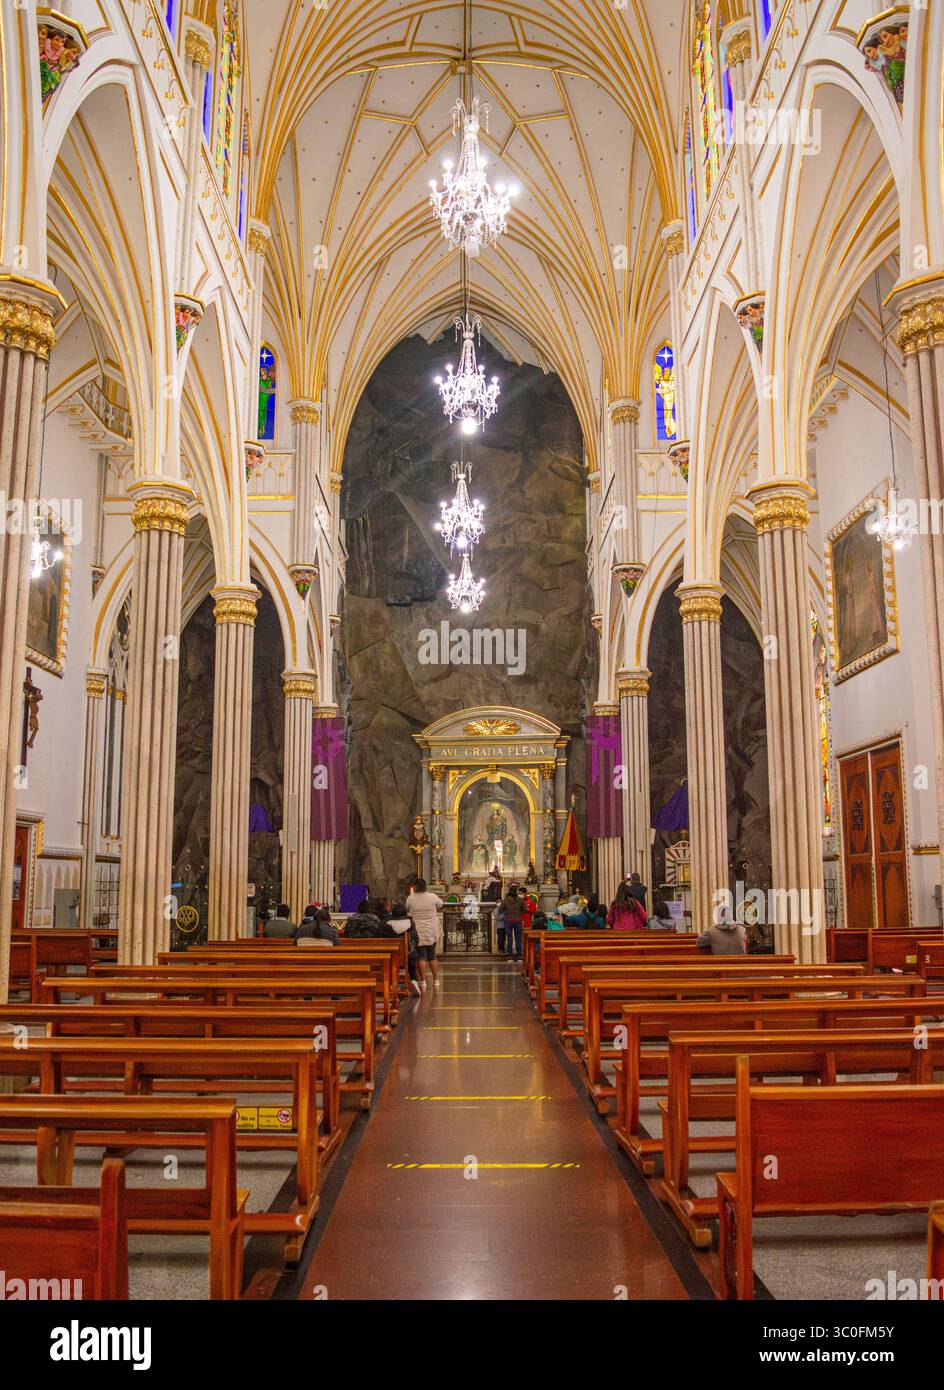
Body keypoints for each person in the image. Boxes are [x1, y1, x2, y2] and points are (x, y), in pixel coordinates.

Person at [406, 878, 444, 988]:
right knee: (432, 955)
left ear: (416, 886)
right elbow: (440, 904)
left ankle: (423, 981)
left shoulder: (411, 898)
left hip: (418, 931)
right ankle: (436, 980)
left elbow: (407, 909)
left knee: (421, 956)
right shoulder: (432, 897)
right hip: (431, 929)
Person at [388, 901, 422, 996]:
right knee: (412, 958)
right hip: (408, 954)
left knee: (390, 961)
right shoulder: (410, 924)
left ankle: (392, 983)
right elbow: (416, 938)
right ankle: (414, 980)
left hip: (391, 956)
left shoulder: (388, 924)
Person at [501, 885, 524, 962]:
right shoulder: (521, 900)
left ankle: (510, 957)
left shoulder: (505, 900)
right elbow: (524, 910)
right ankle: (519, 957)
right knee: (518, 939)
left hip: (508, 920)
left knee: (509, 939)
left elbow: (501, 910)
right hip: (518, 920)